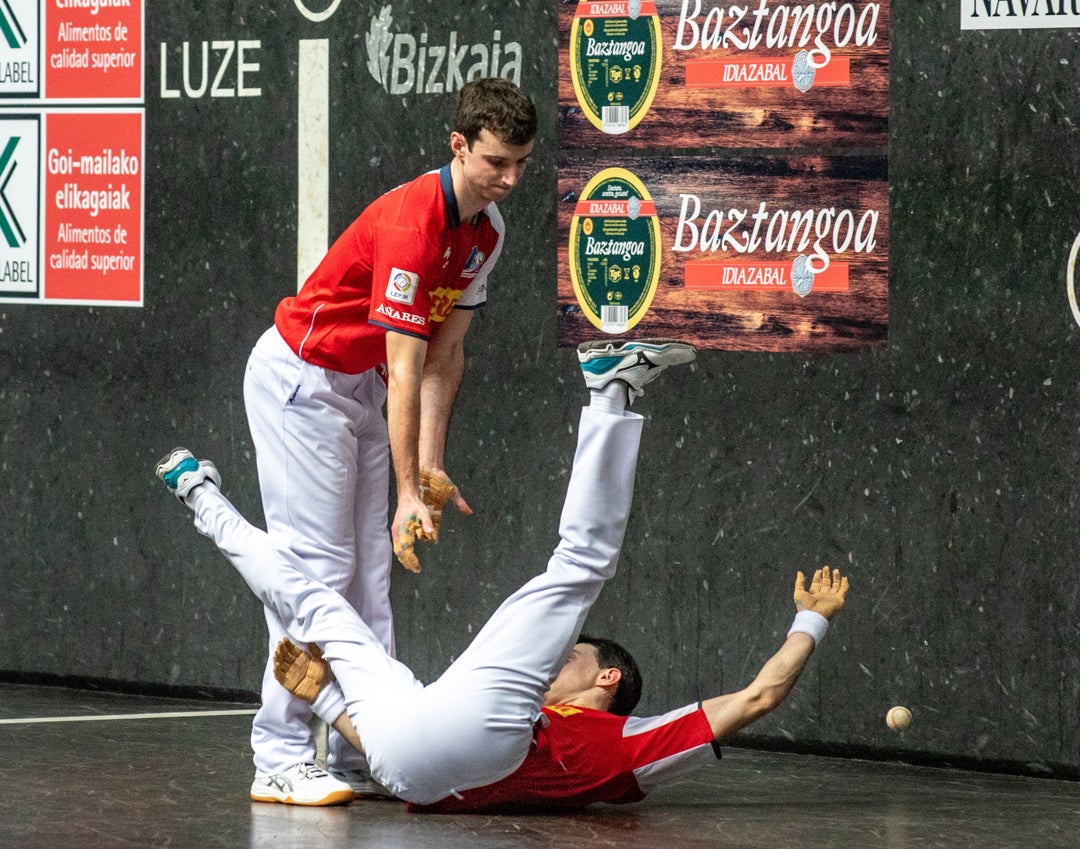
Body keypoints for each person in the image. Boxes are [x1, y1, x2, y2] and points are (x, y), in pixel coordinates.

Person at [157, 340, 850, 810]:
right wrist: (331, 705)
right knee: (315, 598)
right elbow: (416, 757)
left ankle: (608, 389)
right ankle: (197, 491)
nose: (559, 657)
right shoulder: (522, 715)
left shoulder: (623, 746)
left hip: (449, 748)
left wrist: (810, 621)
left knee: (579, 567)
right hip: (411, 768)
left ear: (607, 678)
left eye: (576, 653)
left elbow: (757, 698)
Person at [240, 77, 538, 803]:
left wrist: (428, 468)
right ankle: (277, 752)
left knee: (371, 577)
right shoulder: (412, 223)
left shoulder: (485, 235)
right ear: (458, 146)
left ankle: (358, 749)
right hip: (301, 382)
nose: (508, 179)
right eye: (496, 162)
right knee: (318, 567)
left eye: (522, 164)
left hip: (363, 390)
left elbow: (444, 355)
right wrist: (405, 490)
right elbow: (405, 366)